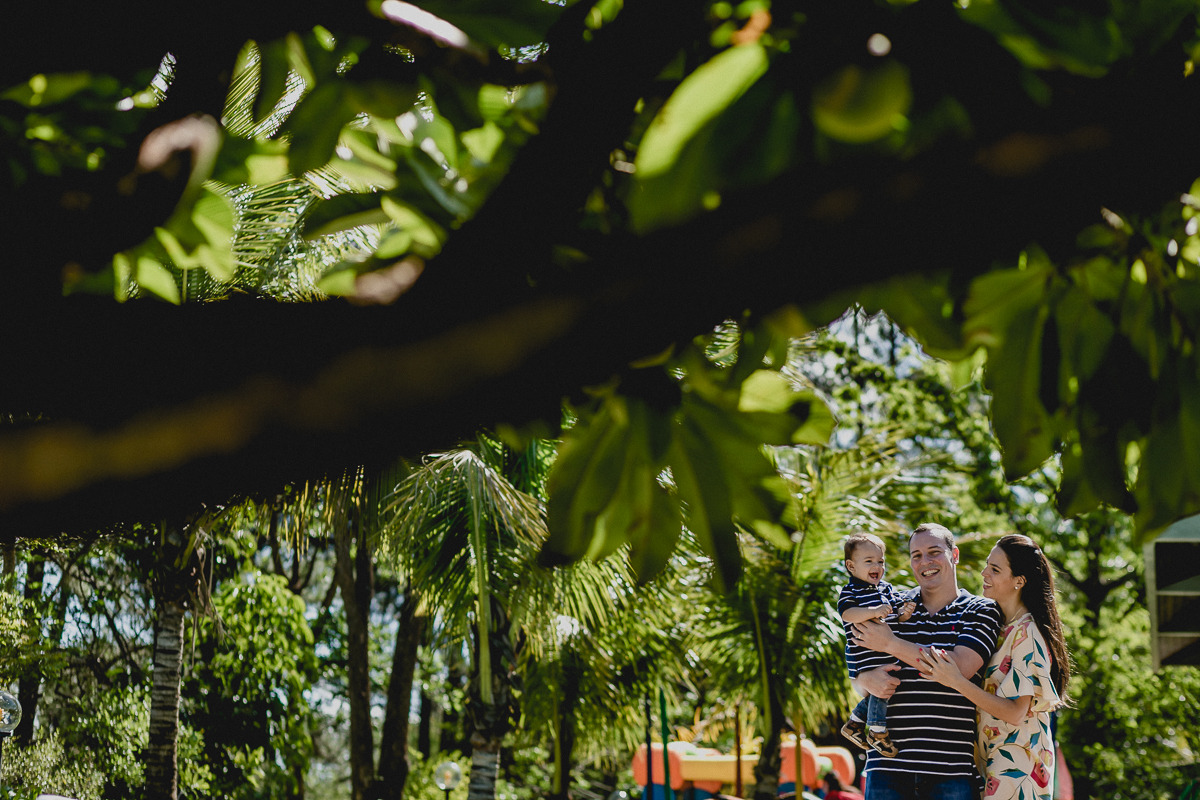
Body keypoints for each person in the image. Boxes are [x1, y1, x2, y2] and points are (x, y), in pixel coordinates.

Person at [850, 523, 1003, 800]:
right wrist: (863, 679)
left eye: (934, 552)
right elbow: (861, 668)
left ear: (954, 555)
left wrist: (891, 644)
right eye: (916, 555)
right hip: (886, 768)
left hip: (950, 772)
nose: (925, 562)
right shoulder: (891, 607)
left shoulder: (981, 610)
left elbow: (959, 668)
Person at [918, 534, 1070, 800]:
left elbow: (1015, 713)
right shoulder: (999, 627)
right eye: (988, 565)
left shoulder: (1028, 632)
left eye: (995, 569)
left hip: (1018, 765)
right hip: (992, 760)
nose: (983, 572)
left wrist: (956, 681)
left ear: (1019, 582)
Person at [837, 532, 916, 757]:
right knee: (883, 689)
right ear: (851, 566)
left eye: (880, 561)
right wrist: (872, 612)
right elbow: (847, 613)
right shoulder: (851, 591)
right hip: (865, 655)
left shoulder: (887, 589)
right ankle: (878, 732)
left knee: (880, 690)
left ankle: (854, 724)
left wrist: (904, 613)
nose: (877, 566)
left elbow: (896, 614)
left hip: (886, 652)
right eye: (869, 561)